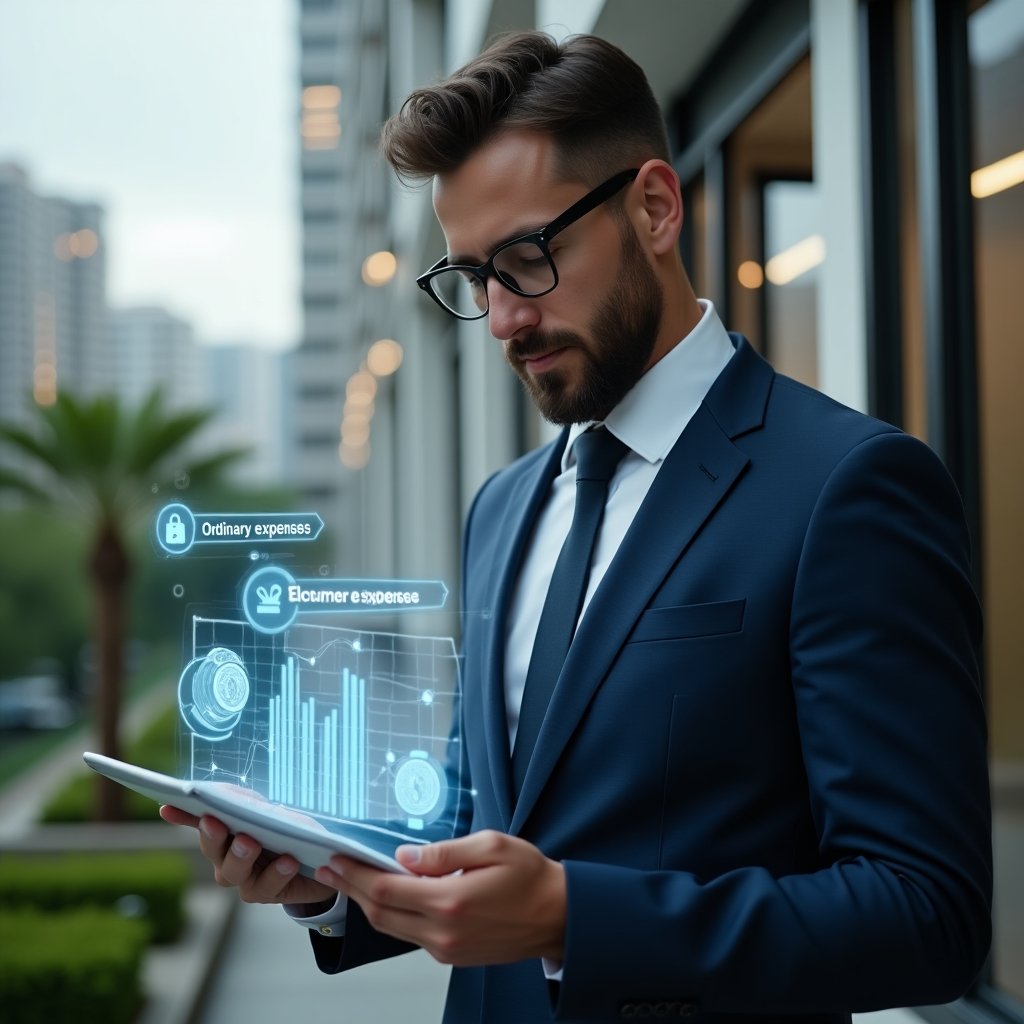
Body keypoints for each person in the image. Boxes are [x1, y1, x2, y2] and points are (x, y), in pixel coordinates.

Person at [161, 30, 992, 1023]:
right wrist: (327, 884)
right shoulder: (502, 506)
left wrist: (571, 916)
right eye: (474, 277)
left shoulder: (846, 489)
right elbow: (491, 822)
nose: (505, 317)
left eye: (527, 258)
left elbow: (927, 913)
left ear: (653, 206)